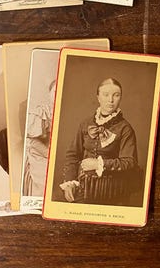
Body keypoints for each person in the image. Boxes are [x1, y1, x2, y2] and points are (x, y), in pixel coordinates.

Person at [59, 78, 141, 206]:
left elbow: (129, 162)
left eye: (116, 95)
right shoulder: (86, 124)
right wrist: (70, 183)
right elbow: (72, 155)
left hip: (113, 190)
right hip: (83, 187)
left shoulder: (125, 128)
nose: (111, 100)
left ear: (120, 97)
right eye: (106, 94)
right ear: (98, 97)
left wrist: (98, 164)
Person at [22, 79, 56, 196]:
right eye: (55, 92)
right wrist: (50, 155)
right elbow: (33, 142)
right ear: (49, 93)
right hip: (40, 154)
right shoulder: (41, 112)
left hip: (59, 155)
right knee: (46, 180)